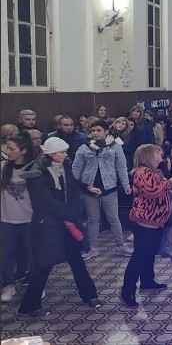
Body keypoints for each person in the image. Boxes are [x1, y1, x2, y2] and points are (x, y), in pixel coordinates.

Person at [18, 137, 102, 316]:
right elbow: (45, 202)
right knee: (44, 265)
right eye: (61, 152)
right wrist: (71, 215)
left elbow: (71, 189)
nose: (65, 154)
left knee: (76, 261)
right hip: (47, 226)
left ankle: (90, 295)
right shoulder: (37, 174)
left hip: (66, 224)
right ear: (51, 154)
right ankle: (29, 305)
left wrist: (84, 192)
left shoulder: (64, 165)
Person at [120, 144, 172, 308]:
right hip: (145, 220)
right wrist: (170, 182)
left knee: (150, 253)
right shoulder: (143, 172)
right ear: (149, 156)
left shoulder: (154, 171)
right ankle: (127, 291)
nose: (162, 157)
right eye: (158, 154)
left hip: (155, 220)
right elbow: (152, 191)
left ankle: (147, 280)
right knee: (140, 255)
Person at [72, 120, 133, 260]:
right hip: (89, 188)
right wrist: (76, 186)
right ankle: (93, 248)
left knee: (114, 218)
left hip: (109, 187)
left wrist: (126, 185)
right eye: (93, 130)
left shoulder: (115, 147)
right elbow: (76, 168)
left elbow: (121, 167)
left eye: (98, 130)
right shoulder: (84, 147)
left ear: (106, 132)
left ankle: (120, 246)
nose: (95, 133)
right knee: (93, 219)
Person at [1, 135, 35, 302]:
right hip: (7, 219)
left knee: (32, 253)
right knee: (6, 254)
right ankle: (9, 285)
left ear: (23, 150)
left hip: (29, 219)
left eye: (12, 149)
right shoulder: (3, 168)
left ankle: (36, 285)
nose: (8, 152)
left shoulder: (33, 169)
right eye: (7, 148)